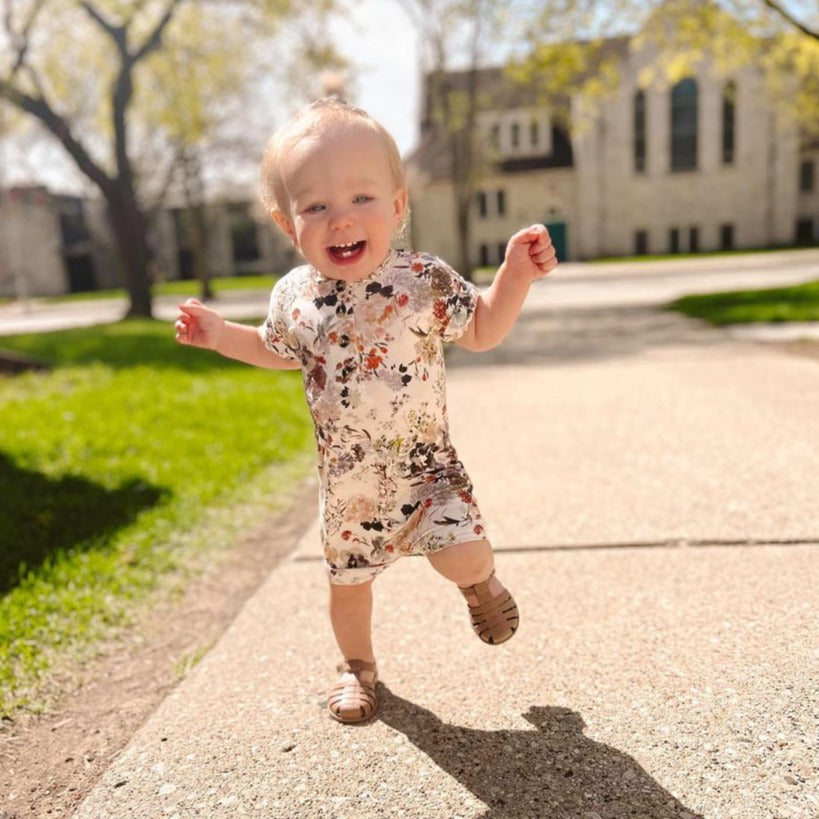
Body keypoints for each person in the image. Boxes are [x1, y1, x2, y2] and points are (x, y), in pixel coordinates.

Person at [174, 98, 558, 724]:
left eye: (361, 198)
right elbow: (275, 349)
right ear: (287, 224)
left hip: (427, 470)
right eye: (316, 207)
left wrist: (514, 276)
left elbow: (483, 328)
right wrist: (220, 335)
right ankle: (356, 666)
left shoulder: (424, 280)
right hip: (349, 485)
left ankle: (479, 583)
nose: (341, 219)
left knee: (462, 553)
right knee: (348, 589)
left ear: (399, 206)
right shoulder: (294, 297)